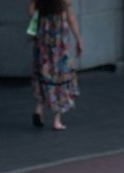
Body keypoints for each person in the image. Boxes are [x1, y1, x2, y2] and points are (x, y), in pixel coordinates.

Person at [29, 0, 82, 132]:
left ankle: (39, 108)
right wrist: (78, 40)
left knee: (44, 73)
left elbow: (31, 10)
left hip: (43, 40)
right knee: (60, 77)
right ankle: (56, 120)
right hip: (59, 43)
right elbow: (71, 17)